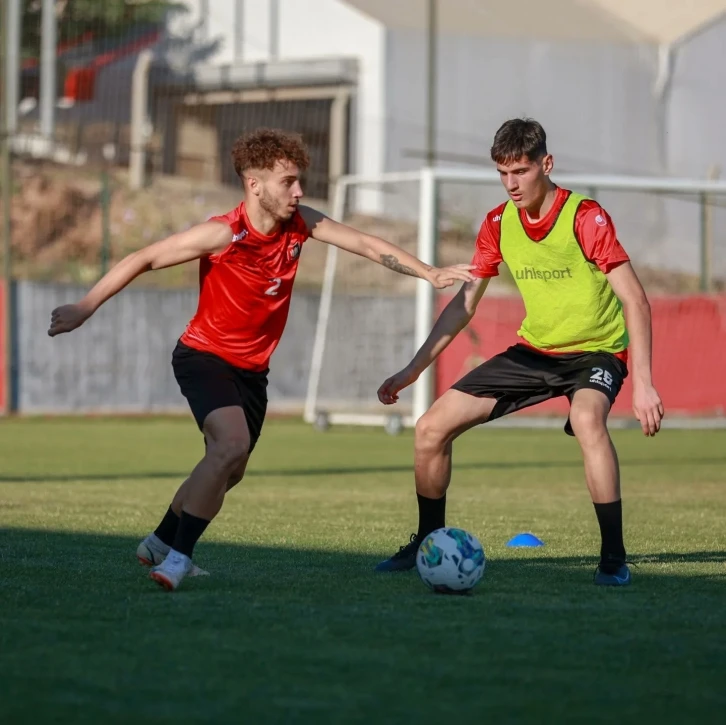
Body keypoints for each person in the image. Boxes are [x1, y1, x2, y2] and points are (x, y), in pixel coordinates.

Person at [48, 127, 475, 591]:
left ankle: (159, 540)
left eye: (299, 180)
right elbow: (143, 257)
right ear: (254, 185)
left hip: (253, 373)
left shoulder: (300, 224)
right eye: (288, 181)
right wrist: (85, 306)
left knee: (229, 469)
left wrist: (429, 272)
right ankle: (178, 559)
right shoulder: (223, 233)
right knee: (229, 446)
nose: (299, 191)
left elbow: (367, 245)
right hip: (203, 357)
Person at [374, 118, 664, 586]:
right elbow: (464, 305)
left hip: (596, 352)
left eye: (521, 171)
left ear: (546, 164)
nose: (511, 184)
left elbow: (635, 299)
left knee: (587, 421)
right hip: (535, 352)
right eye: (503, 173)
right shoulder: (497, 223)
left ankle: (613, 559)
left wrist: (645, 383)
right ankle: (428, 543)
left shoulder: (585, 217)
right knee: (429, 428)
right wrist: (413, 369)